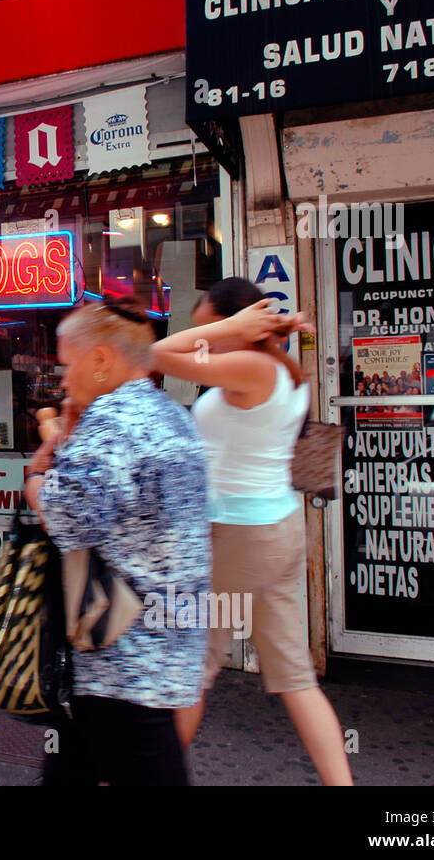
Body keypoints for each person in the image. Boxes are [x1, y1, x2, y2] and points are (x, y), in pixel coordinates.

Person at [151, 277, 353, 786]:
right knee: (296, 678)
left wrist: (235, 327)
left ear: (240, 323)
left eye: (210, 328)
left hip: (239, 538)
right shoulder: (277, 367)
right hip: (275, 531)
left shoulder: (250, 366)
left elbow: (155, 354)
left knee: (193, 670)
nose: (203, 339)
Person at [25, 296, 211, 786]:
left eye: (68, 365)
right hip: (165, 648)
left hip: (124, 659)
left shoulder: (111, 423)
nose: (63, 381)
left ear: (102, 359)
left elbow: (65, 519)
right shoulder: (172, 416)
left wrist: (38, 474)